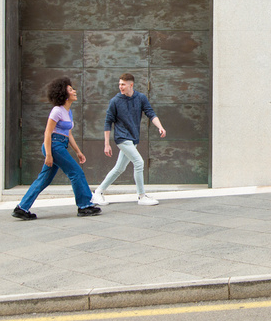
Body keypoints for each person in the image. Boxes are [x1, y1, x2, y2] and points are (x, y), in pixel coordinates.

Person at [12, 77, 101, 220]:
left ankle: (22, 208)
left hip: (60, 145)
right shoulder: (57, 111)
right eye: (71, 89)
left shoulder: (68, 112)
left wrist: (78, 152)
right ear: (64, 94)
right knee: (76, 172)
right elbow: (48, 133)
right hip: (54, 146)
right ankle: (84, 206)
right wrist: (48, 154)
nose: (74, 91)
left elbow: (69, 134)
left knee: (44, 179)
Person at [92, 73, 166, 206]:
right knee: (139, 162)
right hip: (122, 138)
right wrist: (107, 144)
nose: (120, 87)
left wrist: (160, 127)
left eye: (123, 84)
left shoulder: (141, 98)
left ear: (131, 85)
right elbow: (108, 123)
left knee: (119, 168)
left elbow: (151, 113)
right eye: (119, 84)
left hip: (133, 139)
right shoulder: (115, 101)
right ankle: (141, 196)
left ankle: (97, 192)